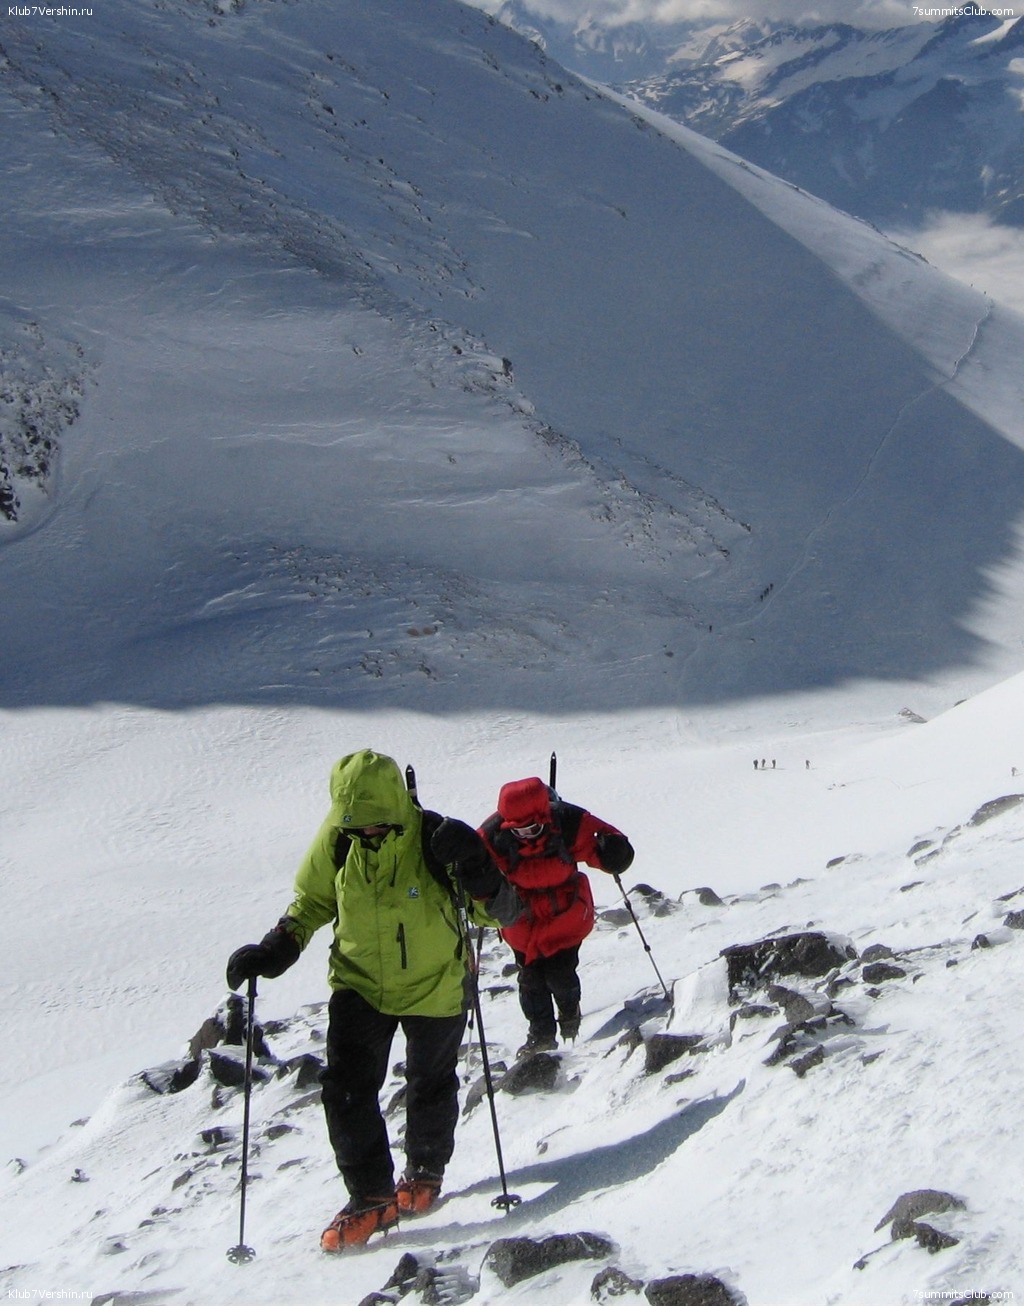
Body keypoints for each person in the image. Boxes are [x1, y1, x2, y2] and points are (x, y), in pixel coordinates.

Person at [225, 748, 520, 1253]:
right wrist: (278, 947)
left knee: (430, 1080)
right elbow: (312, 901)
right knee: (345, 1088)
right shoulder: (339, 838)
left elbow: (503, 914)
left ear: (393, 811)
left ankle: (425, 1171)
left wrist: (480, 868)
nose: (366, 835)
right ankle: (372, 1197)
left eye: (375, 827)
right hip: (359, 982)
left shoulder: (438, 840)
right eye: (356, 827)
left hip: (435, 983)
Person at [431, 776, 634, 1057]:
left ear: (545, 816)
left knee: (560, 973)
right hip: (521, 919)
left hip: (566, 915)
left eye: (533, 828)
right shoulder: (492, 836)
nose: (526, 835)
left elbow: (601, 844)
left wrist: (614, 854)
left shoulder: (567, 822)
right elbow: (474, 862)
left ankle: (568, 1012)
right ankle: (540, 1037)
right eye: (518, 831)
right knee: (530, 980)